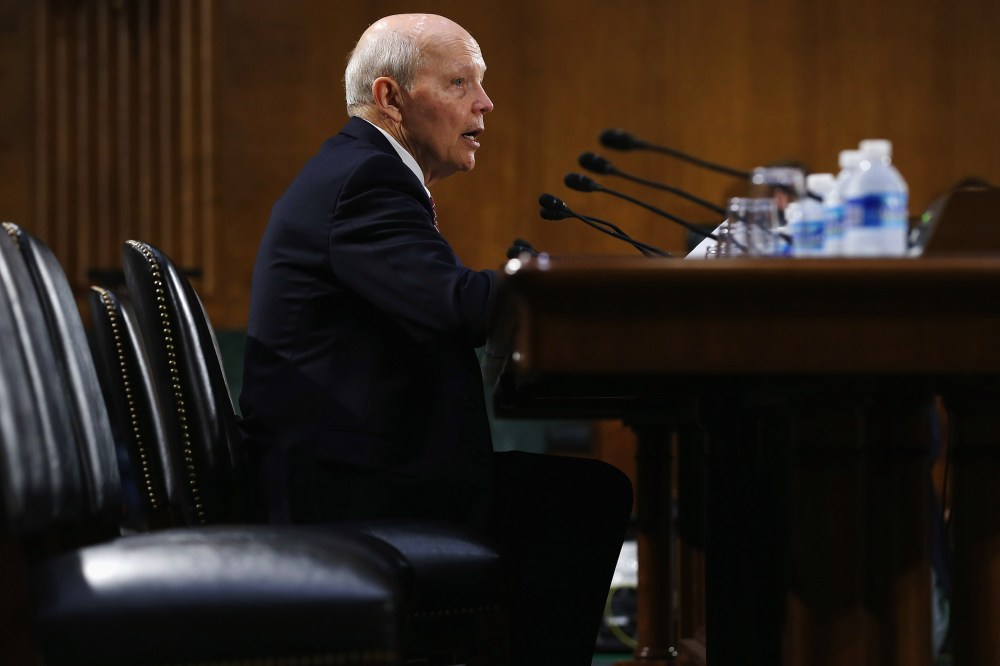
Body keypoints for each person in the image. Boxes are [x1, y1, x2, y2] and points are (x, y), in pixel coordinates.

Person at [238, 14, 633, 664]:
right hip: (343, 493)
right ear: (390, 98)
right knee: (583, 500)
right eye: (459, 83)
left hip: (353, 471)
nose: (486, 103)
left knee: (579, 494)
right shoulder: (364, 180)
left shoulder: (359, 170)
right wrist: (580, 286)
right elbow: (456, 305)